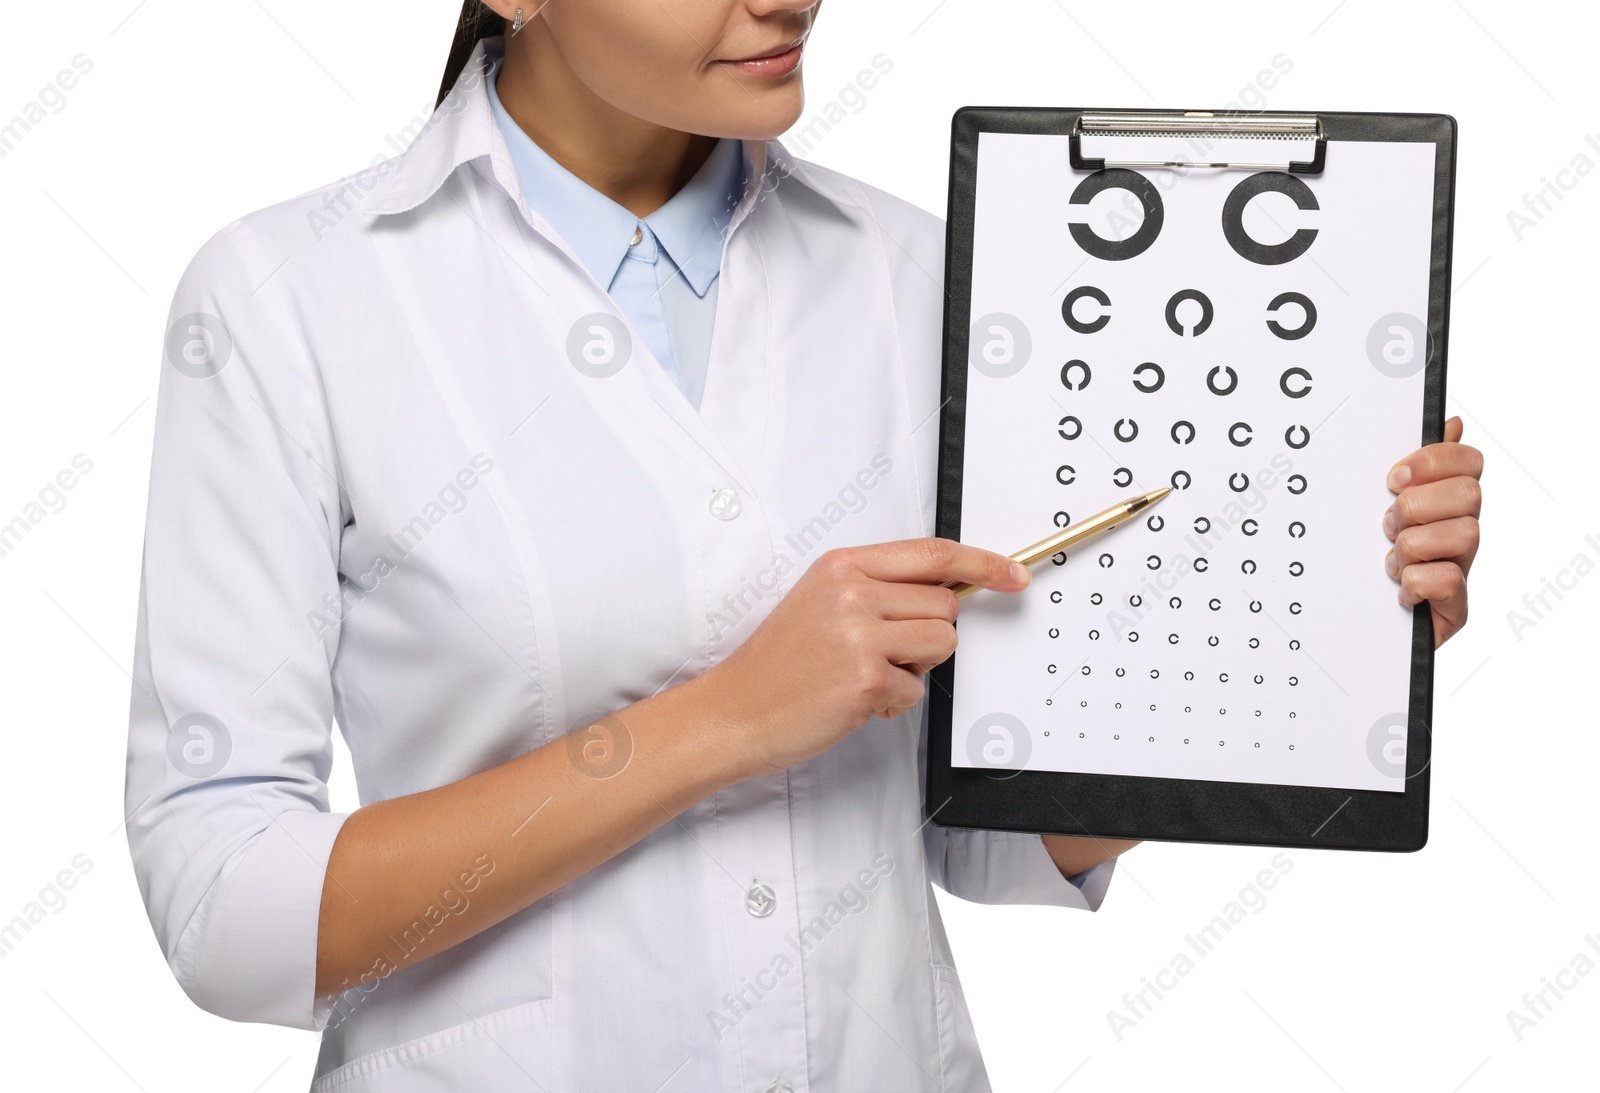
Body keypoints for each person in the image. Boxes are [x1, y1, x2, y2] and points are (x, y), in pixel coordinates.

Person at [124, 2, 1485, 1090]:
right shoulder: (289, 299)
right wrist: (724, 719)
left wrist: (1324, 626)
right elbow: (224, 906)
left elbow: (989, 832)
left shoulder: (925, 273)